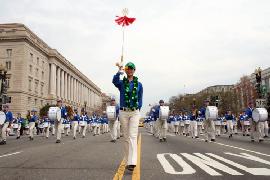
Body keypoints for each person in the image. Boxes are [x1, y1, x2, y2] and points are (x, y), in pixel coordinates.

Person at [112, 62, 143, 171]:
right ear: (126, 71)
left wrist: (137, 107)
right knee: (126, 137)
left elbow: (140, 99)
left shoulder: (139, 85)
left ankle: (132, 162)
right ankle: (127, 158)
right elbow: (114, 81)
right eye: (127, 69)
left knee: (133, 136)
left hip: (134, 112)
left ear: (134, 70)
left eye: (131, 69)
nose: (129, 70)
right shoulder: (121, 83)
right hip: (123, 112)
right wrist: (119, 71)